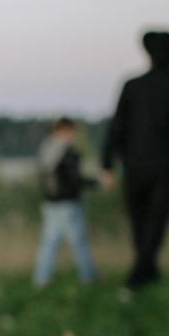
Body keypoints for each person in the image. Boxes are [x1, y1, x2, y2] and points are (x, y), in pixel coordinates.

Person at [103, 29, 169, 288]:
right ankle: (146, 270)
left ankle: (141, 272)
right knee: (156, 219)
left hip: (135, 163)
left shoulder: (132, 86)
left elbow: (116, 126)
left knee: (140, 219)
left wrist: (107, 163)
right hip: (166, 164)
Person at [33, 116, 100, 288]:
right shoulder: (67, 152)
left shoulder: (47, 149)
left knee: (49, 242)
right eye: (72, 131)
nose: (73, 135)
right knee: (79, 241)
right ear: (65, 130)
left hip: (50, 202)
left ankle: (42, 278)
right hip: (68, 202)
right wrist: (96, 183)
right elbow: (74, 180)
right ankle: (89, 276)